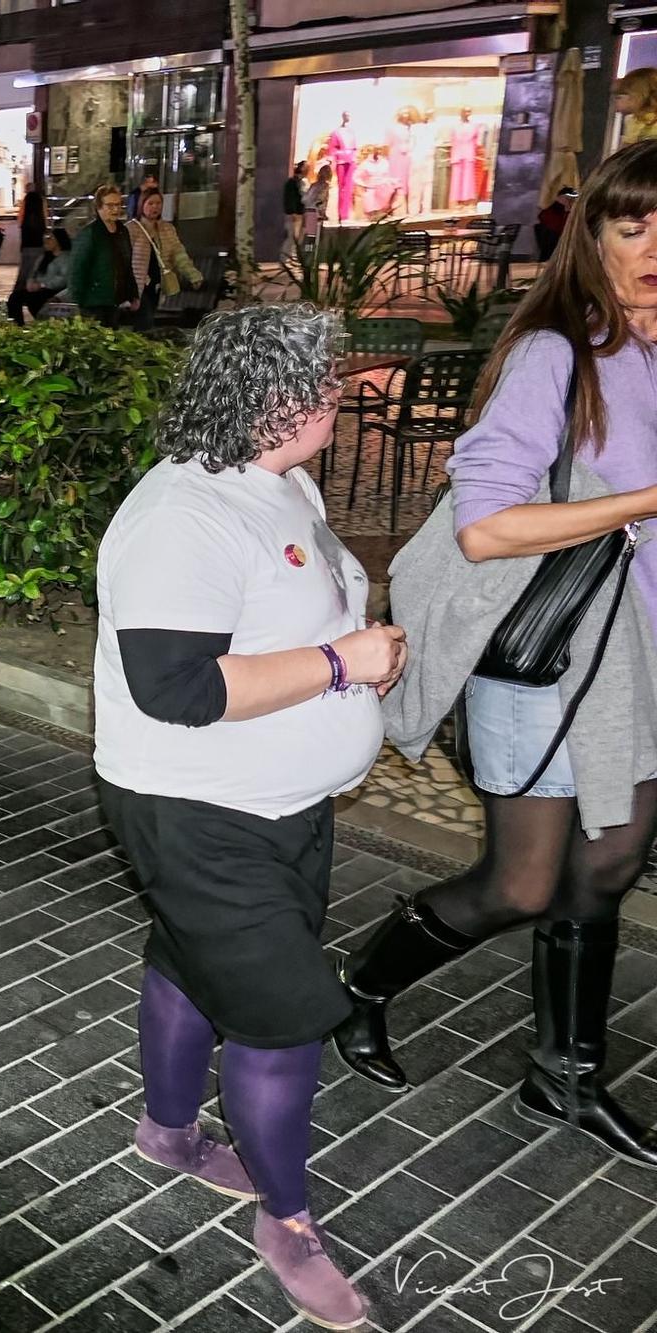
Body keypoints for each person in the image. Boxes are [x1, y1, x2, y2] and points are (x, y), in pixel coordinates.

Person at [337, 140, 657, 1168]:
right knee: (522, 881)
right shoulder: (557, 354)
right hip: (555, 652)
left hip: (644, 649)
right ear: (591, 233)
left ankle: (560, 1075)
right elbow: (482, 527)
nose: (649, 248)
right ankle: (354, 989)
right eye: (629, 224)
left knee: (604, 865)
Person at [94, 304, 405, 1331]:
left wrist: (348, 644)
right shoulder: (178, 514)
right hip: (194, 806)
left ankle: (167, 1130)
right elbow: (174, 686)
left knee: (189, 954)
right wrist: (340, 664)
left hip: (280, 801)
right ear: (270, 400)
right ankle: (286, 1221)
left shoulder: (280, 480)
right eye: (321, 381)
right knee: (282, 1016)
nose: (339, 392)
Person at [127, 190, 203, 333]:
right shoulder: (132, 229)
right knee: (145, 319)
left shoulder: (167, 229)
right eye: (150, 203)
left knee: (148, 318)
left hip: (157, 284)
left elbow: (178, 253)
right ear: (141, 205)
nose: (155, 207)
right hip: (138, 284)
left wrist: (192, 274)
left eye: (158, 203)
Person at [68, 185, 137, 327]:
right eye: (110, 205)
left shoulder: (122, 231)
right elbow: (77, 269)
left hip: (116, 299)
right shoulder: (90, 233)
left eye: (118, 205)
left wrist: (133, 294)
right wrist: (78, 302)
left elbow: (127, 265)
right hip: (93, 302)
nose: (116, 210)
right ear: (99, 207)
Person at [6, 228, 74, 325]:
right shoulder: (44, 257)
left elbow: (63, 279)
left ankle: (44, 322)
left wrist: (42, 285)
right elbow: (33, 272)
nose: (46, 241)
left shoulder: (66, 258)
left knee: (35, 300)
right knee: (15, 297)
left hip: (54, 290)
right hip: (39, 288)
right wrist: (30, 282)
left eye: (49, 238)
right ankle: (17, 324)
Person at [13, 185, 47, 295]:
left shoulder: (26, 201)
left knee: (24, 270)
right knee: (34, 270)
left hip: (26, 243)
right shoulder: (41, 201)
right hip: (38, 243)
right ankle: (30, 292)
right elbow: (45, 219)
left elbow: (20, 220)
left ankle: (19, 292)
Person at [536, 186, 575, 265]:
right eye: (568, 198)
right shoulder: (553, 212)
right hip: (552, 246)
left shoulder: (564, 212)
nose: (570, 201)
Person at [282, 162, 309, 262]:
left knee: (298, 238)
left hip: (300, 213)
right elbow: (290, 198)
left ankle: (293, 257)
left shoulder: (303, 182)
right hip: (295, 214)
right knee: (292, 237)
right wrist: (292, 212)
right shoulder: (293, 182)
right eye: (306, 168)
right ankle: (286, 258)